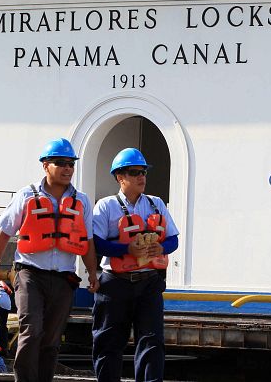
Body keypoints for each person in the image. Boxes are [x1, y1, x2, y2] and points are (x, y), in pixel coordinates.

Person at [0, 137, 100, 382]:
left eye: (71, 164)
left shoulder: (82, 201)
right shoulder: (26, 195)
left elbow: (88, 241)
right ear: (45, 165)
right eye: (61, 163)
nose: (68, 169)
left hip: (64, 278)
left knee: (51, 338)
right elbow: (4, 234)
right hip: (30, 274)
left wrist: (93, 273)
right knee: (32, 330)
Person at [91, 148, 179, 382]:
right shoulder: (105, 206)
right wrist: (126, 250)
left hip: (149, 282)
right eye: (135, 172)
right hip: (114, 284)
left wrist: (162, 248)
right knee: (108, 342)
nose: (142, 177)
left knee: (152, 342)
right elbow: (96, 243)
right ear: (120, 177)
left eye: (144, 172)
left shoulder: (156, 204)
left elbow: (173, 239)